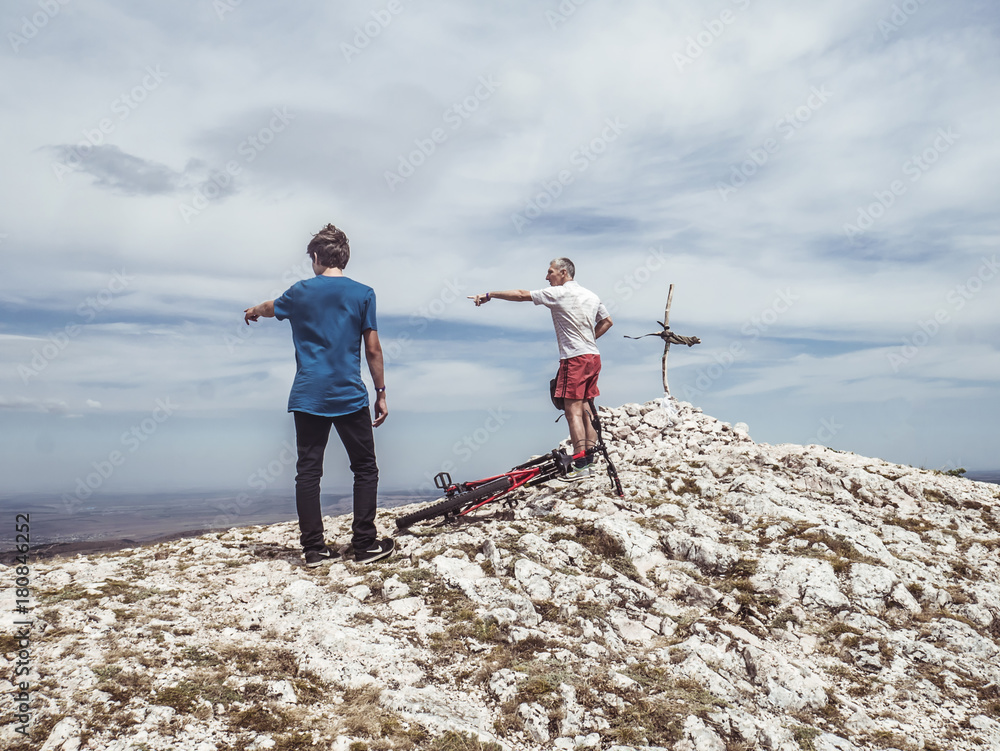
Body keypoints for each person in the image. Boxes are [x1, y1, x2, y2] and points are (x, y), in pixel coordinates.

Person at [244, 224, 394, 566]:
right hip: (348, 394)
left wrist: (253, 310)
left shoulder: (299, 292)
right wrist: (381, 392)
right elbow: (372, 349)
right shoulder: (363, 293)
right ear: (343, 257)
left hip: (309, 394)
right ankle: (365, 544)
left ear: (315, 257)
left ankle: (313, 550)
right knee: (365, 468)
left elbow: (270, 306)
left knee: (308, 472)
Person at [469, 257, 613, 480]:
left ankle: (580, 466)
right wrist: (588, 339)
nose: (547, 277)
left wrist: (489, 295)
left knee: (572, 411)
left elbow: (521, 294)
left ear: (563, 273)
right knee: (586, 406)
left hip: (574, 357)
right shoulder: (591, 295)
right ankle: (589, 461)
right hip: (593, 356)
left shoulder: (558, 293)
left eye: (550, 272)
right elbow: (607, 321)